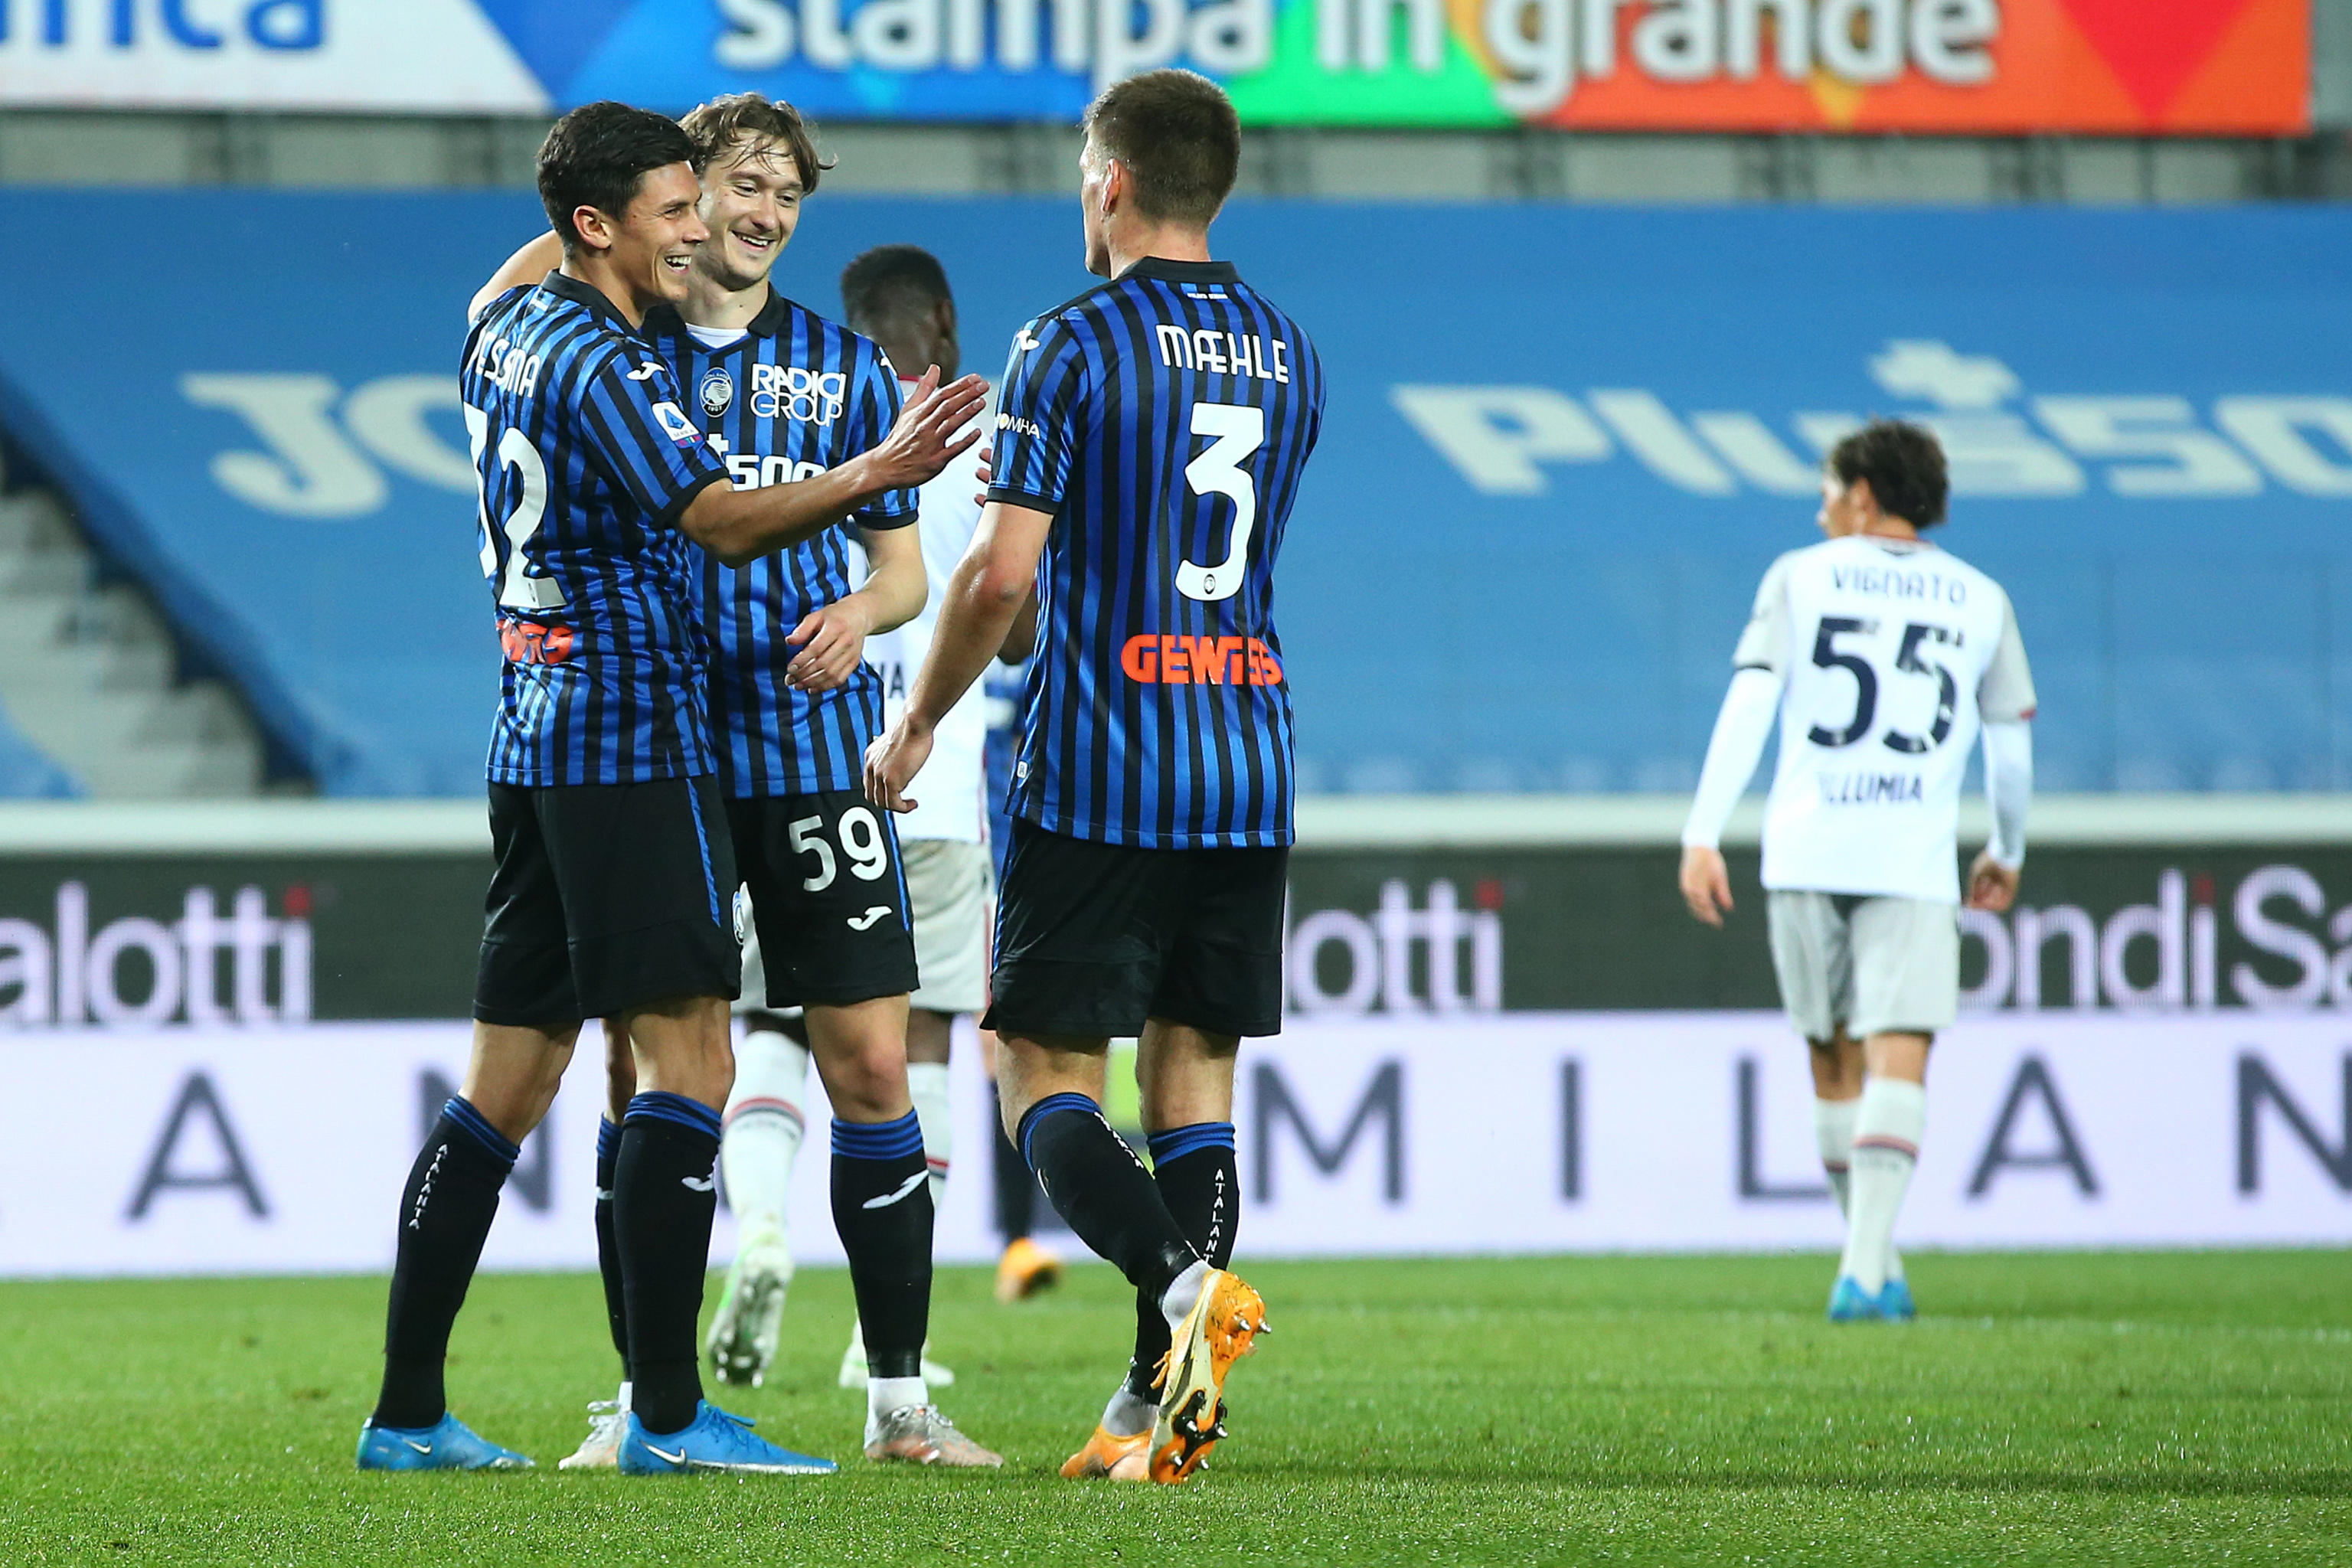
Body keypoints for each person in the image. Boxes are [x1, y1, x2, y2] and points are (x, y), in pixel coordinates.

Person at [354, 100, 982, 1477]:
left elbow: (893, 570)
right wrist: (877, 471)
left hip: (535, 731)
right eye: (682, 201)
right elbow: (714, 515)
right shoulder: (600, 357)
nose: (705, 223)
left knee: (506, 1083)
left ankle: (406, 1410)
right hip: (634, 739)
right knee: (684, 1058)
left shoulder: (503, 327)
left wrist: (868, 590)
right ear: (602, 224)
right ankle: (663, 1411)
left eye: (745, 196)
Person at [865, 68, 1323, 1485]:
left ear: (1110, 182)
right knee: (1196, 1080)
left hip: (1103, 762)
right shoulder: (1290, 348)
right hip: (1247, 755)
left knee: (1036, 1069)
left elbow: (1003, 574)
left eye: (1082, 171)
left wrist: (925, 715)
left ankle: (1186, 1294)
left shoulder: (1067, 343)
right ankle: (1150, 1411)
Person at [1677, 418, 2036, 1324]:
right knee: (1900, 1048)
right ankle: (1868, 1261)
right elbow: (2011, 746)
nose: (1822, 506)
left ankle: (1867, 1265)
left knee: (1833, 1060)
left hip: (1806, 848)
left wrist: (1703, 830)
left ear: (1866, 494)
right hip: (1912, 856)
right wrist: (2008, 845)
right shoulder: (1983, 597)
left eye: (1830, 490)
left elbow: (1749, 701)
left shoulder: (1799, 575)